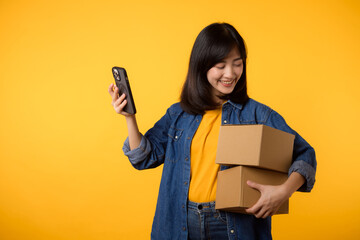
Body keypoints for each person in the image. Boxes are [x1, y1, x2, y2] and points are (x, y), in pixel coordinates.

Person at [108, 22, 316, 240]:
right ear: (202, 66)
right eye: (220, 65)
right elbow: (144, 158)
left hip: (231, 226)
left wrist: (283, 192)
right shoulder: (178, 114)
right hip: (179, 223)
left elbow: (305, 155)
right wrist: (129, 117)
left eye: (237, 64)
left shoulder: (257, 114)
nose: (230, 73)